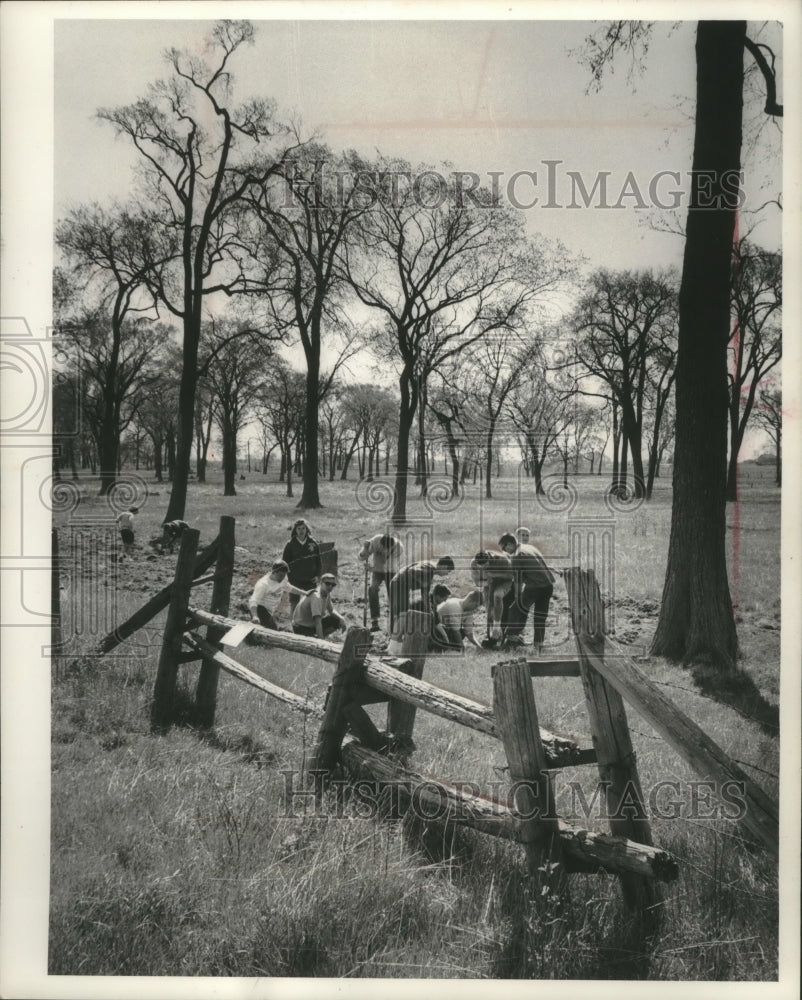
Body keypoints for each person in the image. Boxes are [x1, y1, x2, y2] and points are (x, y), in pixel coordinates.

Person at [498, 532, 555, 651]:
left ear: (509, 544)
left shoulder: (517, 556)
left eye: (504, 548)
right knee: (540, 616)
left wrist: (517, 597)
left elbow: (518, 581)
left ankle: (512, 641)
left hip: (535, 587)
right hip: (548, 585)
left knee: (514, 609)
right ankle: (538, 644)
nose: (504, 551)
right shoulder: (529, 547)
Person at [388, 556, 454, 633]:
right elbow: (411, 571)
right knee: (401, 612)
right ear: (444, 566)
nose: (447, 574)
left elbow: (425, 596)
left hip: (404, 587)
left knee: (405, 611)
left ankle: (397, 635)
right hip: (398, 583)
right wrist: (423, 583)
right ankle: (394, 636)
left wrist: (430, 611)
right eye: (448, 571)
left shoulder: (430, 572)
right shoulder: (429, 568)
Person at [359, 532, 405, 632]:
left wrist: (371, 569)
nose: (384, 551)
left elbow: (387, 568)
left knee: (393, 596)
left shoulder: (398, 548)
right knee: (372, 589)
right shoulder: (376, 541)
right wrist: (365, 550)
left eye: (387, 550)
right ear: (381, 543)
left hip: (392, 571)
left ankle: (395, 624)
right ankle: (374, 621)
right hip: (377, 570)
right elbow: (361, 557)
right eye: (383, 548)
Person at [248, 560, 310, 630]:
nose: (282, 578)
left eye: (284, 575)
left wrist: (305, 593)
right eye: (280, 575)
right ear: (274, 572)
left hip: (270, 612)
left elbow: (289, 587)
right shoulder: (263, 584)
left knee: (273, 628)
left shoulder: (283, 578)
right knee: (271, 630)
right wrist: (255, 616)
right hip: (260, 609)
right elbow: (253, 601)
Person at [470, 550, 513, 645]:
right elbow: (477, 582)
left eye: (485, 566)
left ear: (489, 560)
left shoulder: (502, 560)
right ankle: (493, 636)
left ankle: (497, 629)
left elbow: (512, 575)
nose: (483, 569)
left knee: (497, 596)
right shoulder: (473, 563)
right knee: (489, 608)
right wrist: (487, 581)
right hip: (487, 584)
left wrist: (494, 575)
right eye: (481, 568)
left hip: (504, 581)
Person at [282, 519, 322, 612]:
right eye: (299, 528)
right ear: (295, 530)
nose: (301, 531)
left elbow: (319, 562)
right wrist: (287, 577)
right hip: (295, 580)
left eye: (303, 528)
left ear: (307, 529)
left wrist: (317, 576)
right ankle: (294, 623)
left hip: (310, 580)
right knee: (294, 603)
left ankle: (309, 624)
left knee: (312, 602)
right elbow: (285, 563)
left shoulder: (313, 543)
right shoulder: (290, 544)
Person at [291, 572, 347, 639]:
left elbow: (331, 610)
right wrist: (321, 642)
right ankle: (318, 638)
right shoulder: (317, 597)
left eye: (333, 585)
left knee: (336, 620)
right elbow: (318, 622)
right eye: (327, 584)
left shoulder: (326, 592)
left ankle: (318, 636)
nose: (330, 586)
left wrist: (341, 618)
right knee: (313, 645)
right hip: (301, 627)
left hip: (311, 624)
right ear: (321, 583)